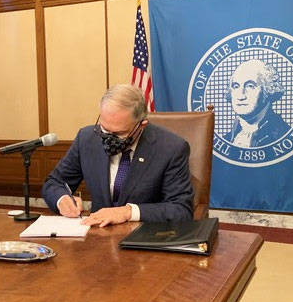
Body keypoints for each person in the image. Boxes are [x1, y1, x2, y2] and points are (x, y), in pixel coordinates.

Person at [42, 84, 194, 227]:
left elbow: (181, 210)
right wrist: (61, 199)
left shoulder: (171, 148)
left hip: (144, 240)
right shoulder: (87, 138)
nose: (109, 137)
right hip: (96, 239)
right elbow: (55, 182)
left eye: (119, 133)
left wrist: (128, 212)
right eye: (104, 129)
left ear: (142, 125)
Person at [223, 59, 289, 147]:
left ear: (268, 89)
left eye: (250, 86)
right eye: (236, 86)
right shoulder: (226, 140)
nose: (241, 96)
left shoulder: (283, 136)